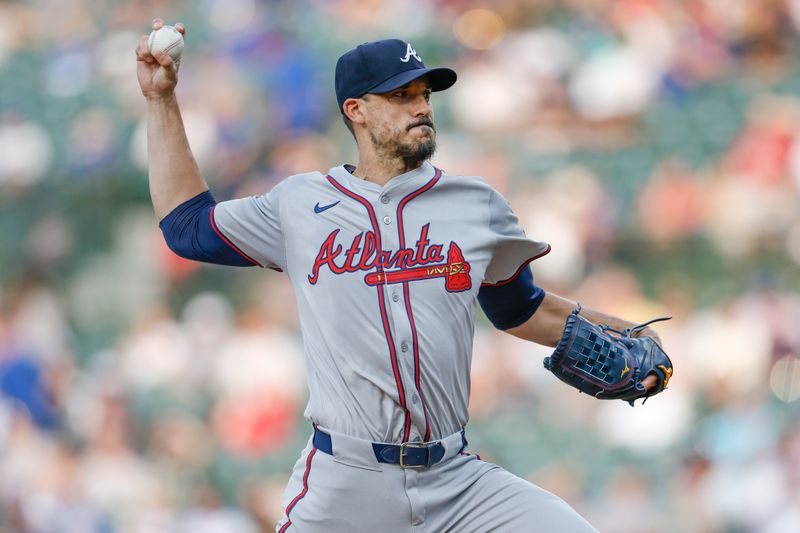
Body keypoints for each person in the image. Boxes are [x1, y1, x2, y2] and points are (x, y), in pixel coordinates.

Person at [136, 18, 666, 533]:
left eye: (425, 94)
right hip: (346, 482)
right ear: (357, 110)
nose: (421, 106)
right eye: (401, 95)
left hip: (456, 479)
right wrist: (161, 101)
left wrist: (626, 330)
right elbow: (185, 227)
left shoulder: (475, 204)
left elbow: (519, 308)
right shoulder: (299, 204)